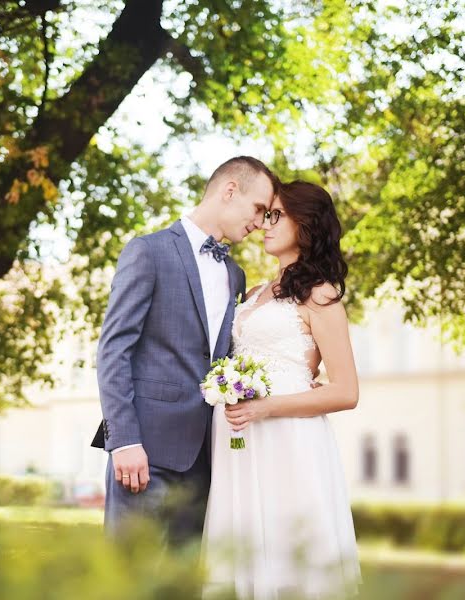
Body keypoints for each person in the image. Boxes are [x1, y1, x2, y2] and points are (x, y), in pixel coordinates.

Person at [92, 156, 277, 545]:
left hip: (208, 459)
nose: (260, 222)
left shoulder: (235, 274)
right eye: (258, 209)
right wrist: (123, 441)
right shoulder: (148, 252)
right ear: (230, 190)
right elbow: (114, 350)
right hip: (144, 453)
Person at [202, 180, 362, 599]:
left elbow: (346, 391)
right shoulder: (252, 292)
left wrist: (266, 407)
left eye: (274, 215)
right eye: (263, 214)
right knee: (243, 552)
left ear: (305, 225)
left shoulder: (321, 295)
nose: (263, 224)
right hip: (239, 444)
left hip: (288, 441)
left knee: (288, 553)